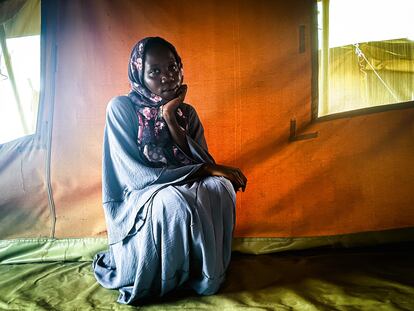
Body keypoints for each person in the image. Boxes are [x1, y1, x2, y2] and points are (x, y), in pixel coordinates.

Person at [92, 36, 247, 305]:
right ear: (139, 74)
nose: (167, 77)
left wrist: (170, 118)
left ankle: (206, 276)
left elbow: (200, 160)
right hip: (140, 195)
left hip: (186, 180)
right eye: (155, 71)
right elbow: (133, 175)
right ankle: (168, 279)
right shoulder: (121, 108)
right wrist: (206, 169)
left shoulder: (188, 112)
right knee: (172, 202)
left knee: (220, 189)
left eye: (173, 67)